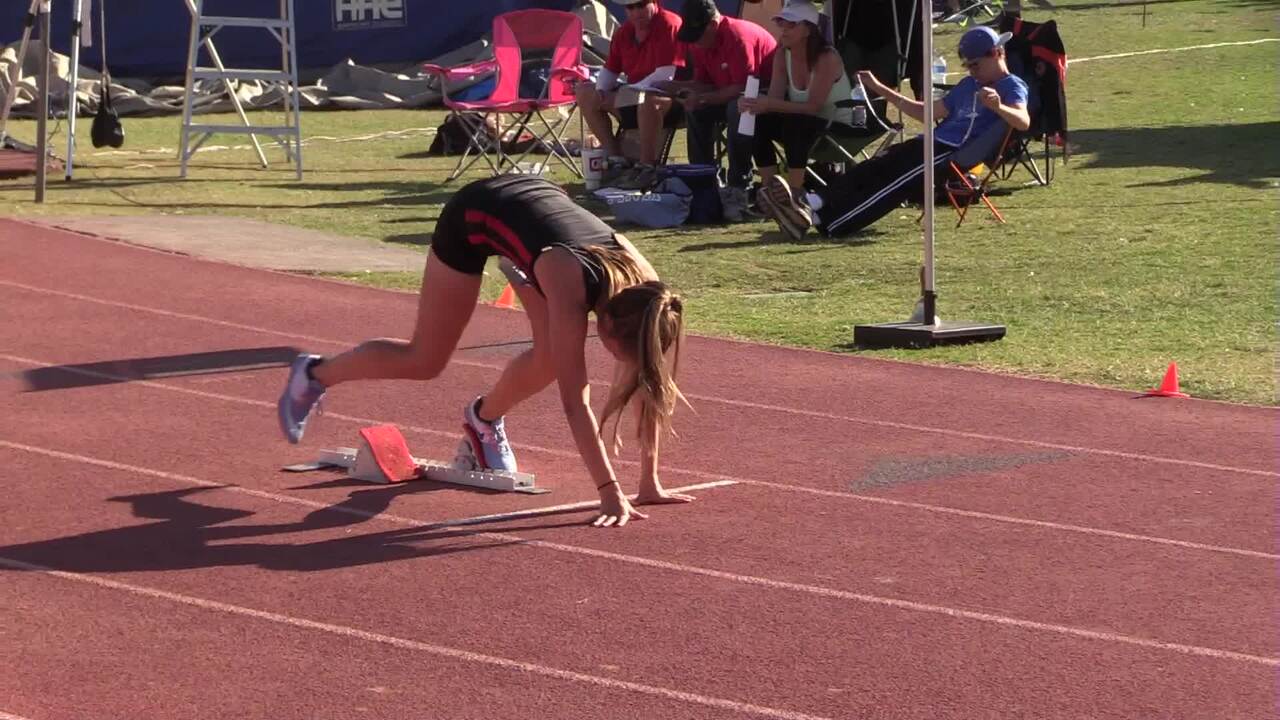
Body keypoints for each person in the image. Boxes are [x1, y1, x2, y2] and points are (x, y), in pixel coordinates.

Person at [277, 175, 693, 528]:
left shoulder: (650, 296)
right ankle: (314, 374)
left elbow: (649, 384)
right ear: (605, 325)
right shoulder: (570, 286)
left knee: (550, 359)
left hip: (535, 225)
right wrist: (608, 491)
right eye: (620, 354)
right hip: (477, 214)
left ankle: (483, 419)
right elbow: (574, 402)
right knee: (425, 360)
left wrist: (649, 483)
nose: (622, 366)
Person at [759, 25, 1030, 240]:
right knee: (876, 165)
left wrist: (999, 107)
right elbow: (925, 113)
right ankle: (811, 203)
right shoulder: (968, 85)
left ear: (997, 53)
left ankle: (828, 223)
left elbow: (1023, 121)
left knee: (893, 183)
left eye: (976, 65)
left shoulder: (1011, 86)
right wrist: (880, 88)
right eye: (968, 66)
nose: (972, 72)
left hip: (953, 153)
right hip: (931, 142)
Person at [664, 0, 777, 220]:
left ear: (713, 25)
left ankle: (738, 186)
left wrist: (702, 98)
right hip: (732, 94)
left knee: (738, 108)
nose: (695, 42)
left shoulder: (738, 37)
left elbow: (742, 87)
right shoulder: (700, 44)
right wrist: (678, 88)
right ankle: (704, 180)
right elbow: (705, 83)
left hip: (766, 97)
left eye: (699, 35)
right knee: (696, 110)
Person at [738, 1, 854, 199]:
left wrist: (768, 103)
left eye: (791, 24)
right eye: (780, 22)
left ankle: (794, 192)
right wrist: (752, 103)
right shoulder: (782, 54)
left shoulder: (827, 57)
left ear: (808, 30)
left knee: (796, 122)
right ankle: (770, 190)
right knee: (759, 120)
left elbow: (813, 107)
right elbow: (774, 100)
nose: (783, 29)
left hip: (836, 128)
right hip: (806, 126)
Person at [577, 0, 685, 190]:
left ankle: (647, 167)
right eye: (630, 7)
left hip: (674, 98)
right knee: (585, 92)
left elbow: (665, 76)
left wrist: (629, 92)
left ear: (654, 2)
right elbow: (610, 70)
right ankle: (616, 159)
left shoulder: (669, 24)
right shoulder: (624, 32)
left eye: (641, 5)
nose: (636, 12)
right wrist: (601, 91)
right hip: (634, 96)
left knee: (648, 99)